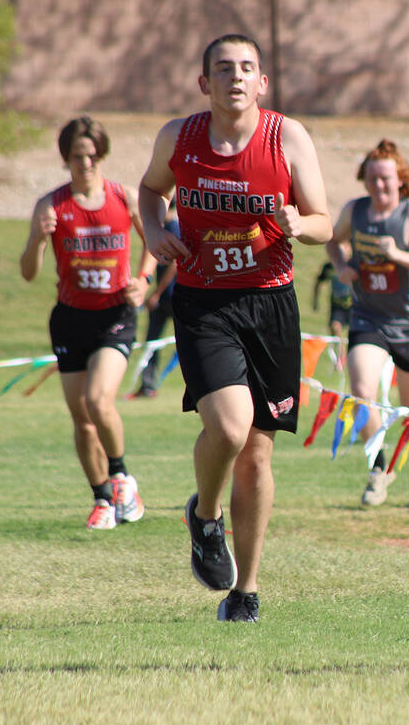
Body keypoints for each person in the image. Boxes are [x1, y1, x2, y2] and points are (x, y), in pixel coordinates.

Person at [137, 33, 332, 622]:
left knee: (257, 457)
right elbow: (149, 192)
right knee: (229, 427)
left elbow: (326, 222)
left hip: (270, 304)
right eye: (224, 69)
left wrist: (301, 222)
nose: (237, 77)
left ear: (263, 83)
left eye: (248, 68)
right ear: (205, 83)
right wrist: (153, 232)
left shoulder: (287, 137)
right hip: (204, 302)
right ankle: (204, 517)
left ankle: (245, 591)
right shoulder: (180, 137)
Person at [19, 115, 152, 530]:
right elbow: (27, 271)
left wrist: (142, 281)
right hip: (70, 319)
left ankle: (121, 476)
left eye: (93, 156)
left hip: (115, 316)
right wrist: (40, 239)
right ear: (66, 159)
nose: (86, 163)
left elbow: (155, 243)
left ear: (103, 155)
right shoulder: (52, 205)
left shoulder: (125, 198)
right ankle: (102, 500)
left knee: (98, 401)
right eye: (78, 156)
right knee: (81, 419)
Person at [325, 140, 409, 509]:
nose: (379, 186)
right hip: (369, 318)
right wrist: (342, 267)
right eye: (373, 178)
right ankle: (378, 467)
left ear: (401, 181)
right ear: (365, 179)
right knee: (361, 387)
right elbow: (333, 241)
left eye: (386, 179)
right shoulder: (355, 210)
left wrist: (399, 255)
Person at [133, 202, 179, 398]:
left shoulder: (173, 227)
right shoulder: (163, 229)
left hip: (173, 297)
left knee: (185, 344)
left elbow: (175, 263)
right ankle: (148, 386)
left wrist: (157, 293)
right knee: (152, 341)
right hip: (162, 297)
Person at [312, 259, 352, 368]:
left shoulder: (352, 264)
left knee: (354, 332)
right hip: (337, 305)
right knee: (335, 327)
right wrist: (315, 301)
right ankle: (341, 356)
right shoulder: (329, 267)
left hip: (353, 305)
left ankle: (354, 356)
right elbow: (318, 282)